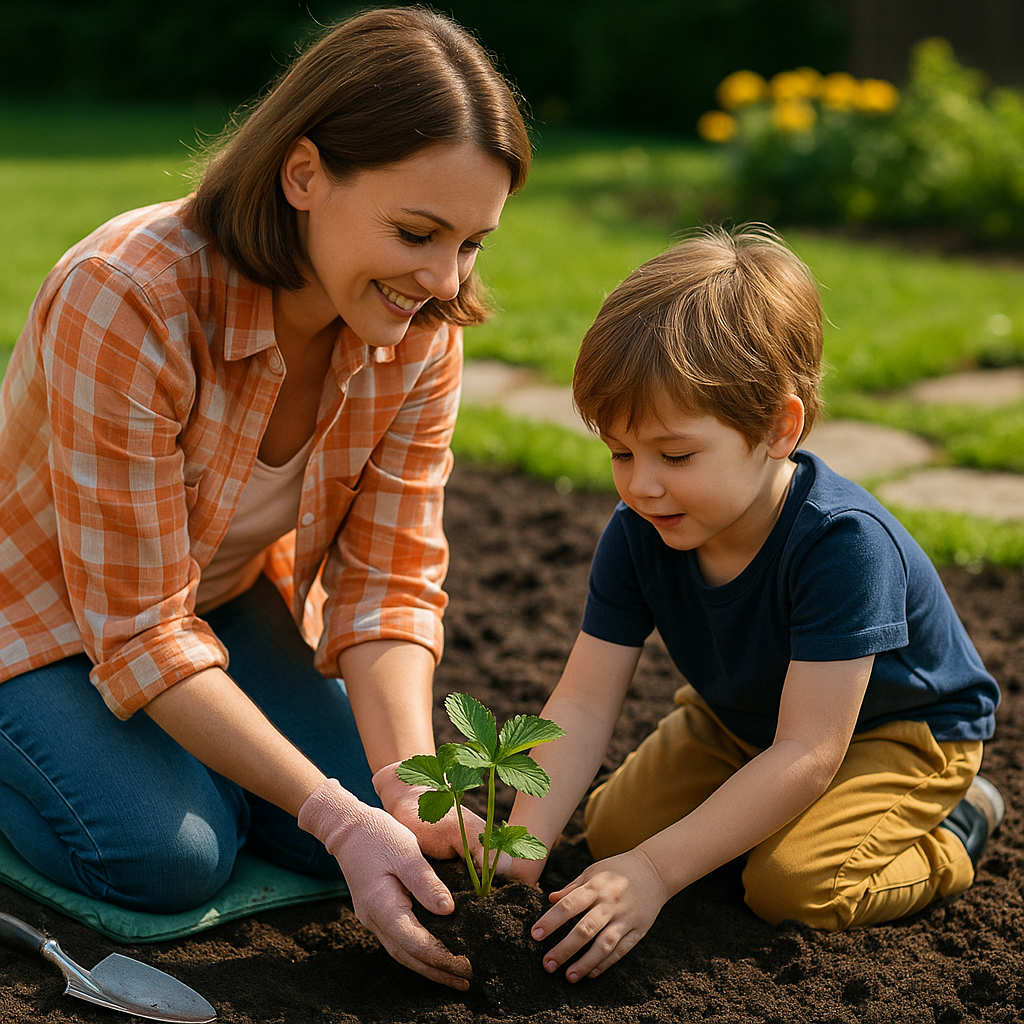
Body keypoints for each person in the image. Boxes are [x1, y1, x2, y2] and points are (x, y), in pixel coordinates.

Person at [0, 7, 530, 990]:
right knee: (171, 855)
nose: (444, 278)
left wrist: (404, 789)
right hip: (35, 613)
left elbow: (388, 583)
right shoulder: (128, 297)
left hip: (213, 593)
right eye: (417, 231)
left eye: (471, 244)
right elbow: (138, 627)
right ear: (302, 176)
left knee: (357, 820)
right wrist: (332, 809)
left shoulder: (418, 328)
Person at [503, 225, 1003, 983]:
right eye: (620, 453)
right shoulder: (641, 531)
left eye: (674, 455)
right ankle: (743, 820)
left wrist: (660, 873)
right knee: (613, 832)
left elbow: (810, 751)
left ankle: (960, 825)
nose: (641, 485)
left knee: (790, 886)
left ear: (778, 427)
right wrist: (520, 850)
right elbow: (581, 701)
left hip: (893, 735)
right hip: (741, 723)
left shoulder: (841, 544)